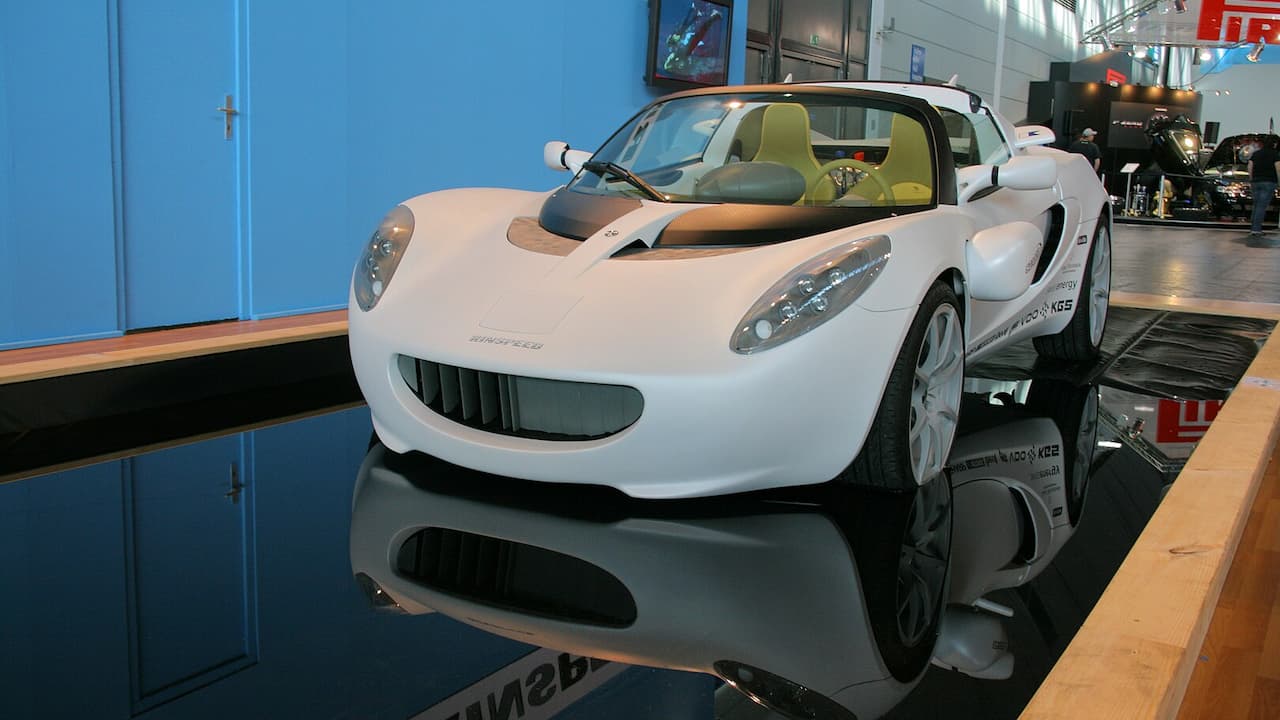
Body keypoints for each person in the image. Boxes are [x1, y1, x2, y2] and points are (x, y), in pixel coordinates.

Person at [1247, 135, 1280, 237]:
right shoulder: (1275, 154)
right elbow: (1278, 168)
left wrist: (1252, 179)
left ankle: (1253, 227)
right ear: (1274, 144)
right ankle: (1256, 230)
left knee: (1256, 205)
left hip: (1256, 182)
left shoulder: (1256, 154)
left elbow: (1250, 166)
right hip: (1269, 182)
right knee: (1262, 206)